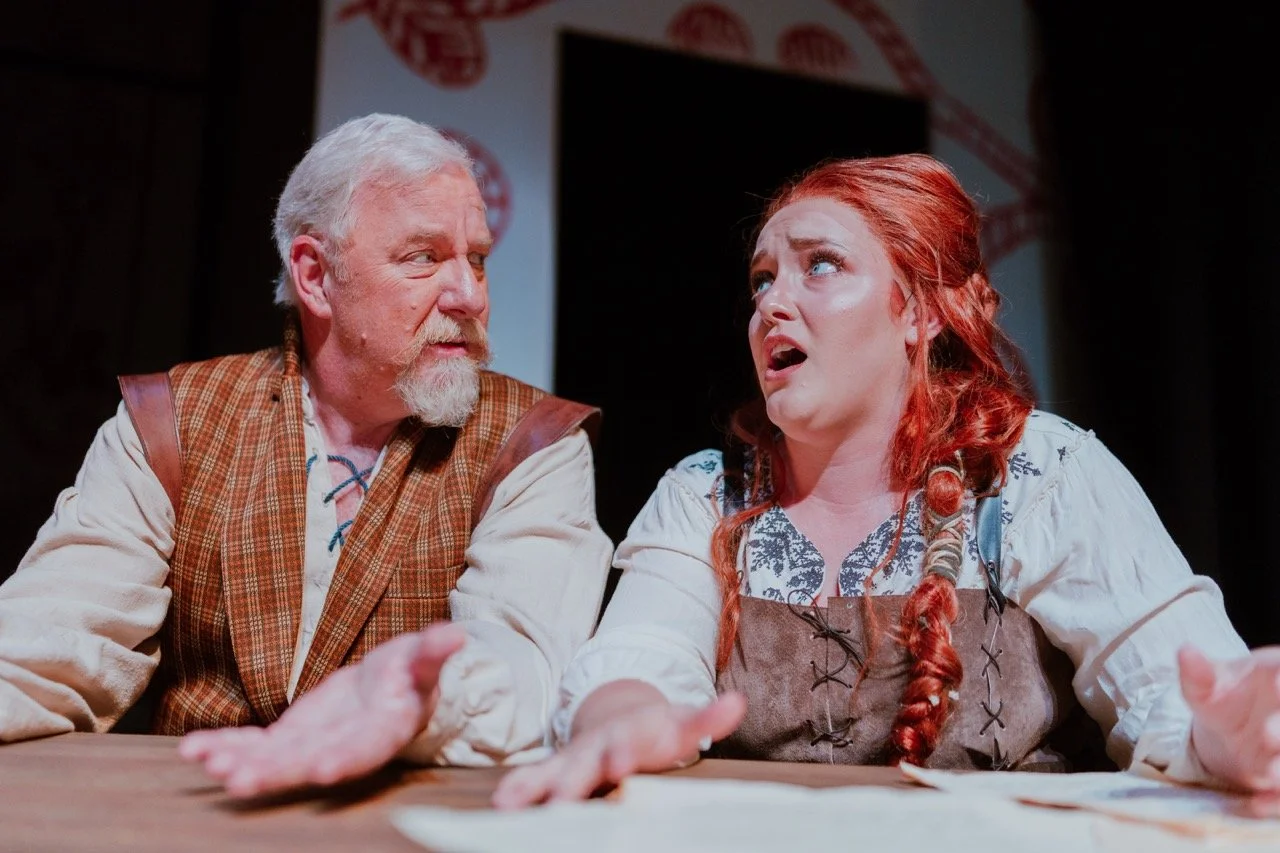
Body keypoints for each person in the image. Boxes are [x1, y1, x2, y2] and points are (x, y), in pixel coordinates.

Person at [493, 153, 1280, 808]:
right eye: (762, 279)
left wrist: (1225, 731)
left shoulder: (1037, 473)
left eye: (821, 266)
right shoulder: (707, 494)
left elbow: (1177, 683)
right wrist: (618, 720)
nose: (773, 304)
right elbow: (640, 658)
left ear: (920, 311)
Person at [0, 113, 614, 797]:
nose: (470, 294)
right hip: (196, 816)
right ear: (316, 275)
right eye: (424, 257)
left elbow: (526, 662)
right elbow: (51, 640)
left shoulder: (532, 444)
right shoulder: (172, 420)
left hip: (405, 824)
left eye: (476, 258)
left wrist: (420, 696)